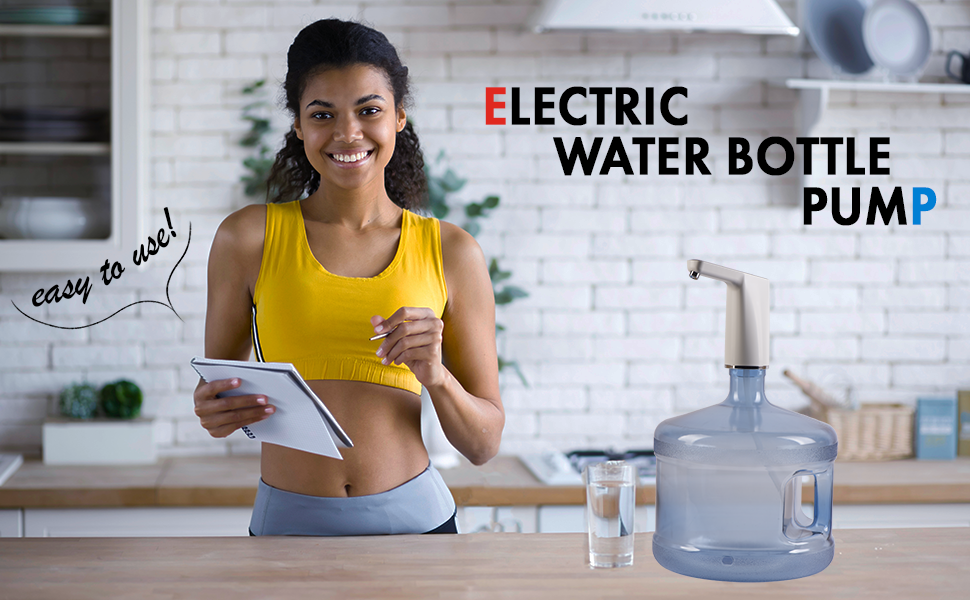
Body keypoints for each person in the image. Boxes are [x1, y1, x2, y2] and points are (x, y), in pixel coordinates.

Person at [192, 18, 503, 536]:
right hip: (287, 529)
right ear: (299, 125)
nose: (347, 133)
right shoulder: (246, 239)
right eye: (322, 114)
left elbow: (483, 445)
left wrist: (437, 376)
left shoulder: (452, 251)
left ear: (398, 117)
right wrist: (214, 410)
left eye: (369, 110)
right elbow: (222, 393)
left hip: (419, 530)